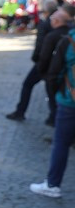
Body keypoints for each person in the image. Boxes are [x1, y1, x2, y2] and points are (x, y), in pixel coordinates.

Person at [30, 18, 75, 198]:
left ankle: (53, 184)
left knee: (61, 144)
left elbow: (54, 72)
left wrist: (57, 95)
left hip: (69, 100)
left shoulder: (68, 40)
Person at [7, 0, 64, 121]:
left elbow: (41, 45)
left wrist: (37, 60)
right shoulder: (61, 24)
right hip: (53, 62)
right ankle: (53, 116)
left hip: (46, 62)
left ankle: (21, 112)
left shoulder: (47, 24)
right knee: (50, 90)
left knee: (30, 85)